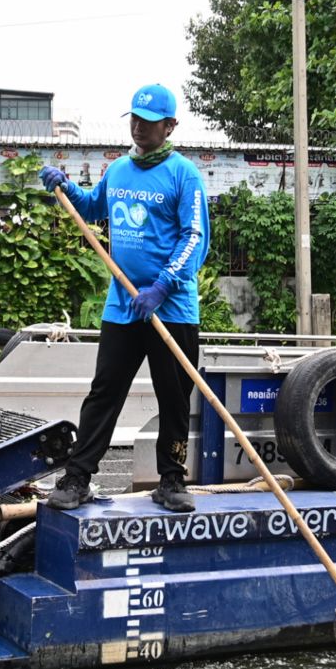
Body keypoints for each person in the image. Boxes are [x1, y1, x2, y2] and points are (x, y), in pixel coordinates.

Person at [38, 83, 209, 513]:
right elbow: (95, 207)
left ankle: (171, 480)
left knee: (173, 398)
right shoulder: (118, 170)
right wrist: (65, 189)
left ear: (170, 126)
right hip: (122, 307)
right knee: (104, 392)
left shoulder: (183, 173)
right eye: (134, 119)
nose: (139, 128)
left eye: (149, 123)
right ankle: (77, 478)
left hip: (170, 307)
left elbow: (195, 236)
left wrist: (163, 285)